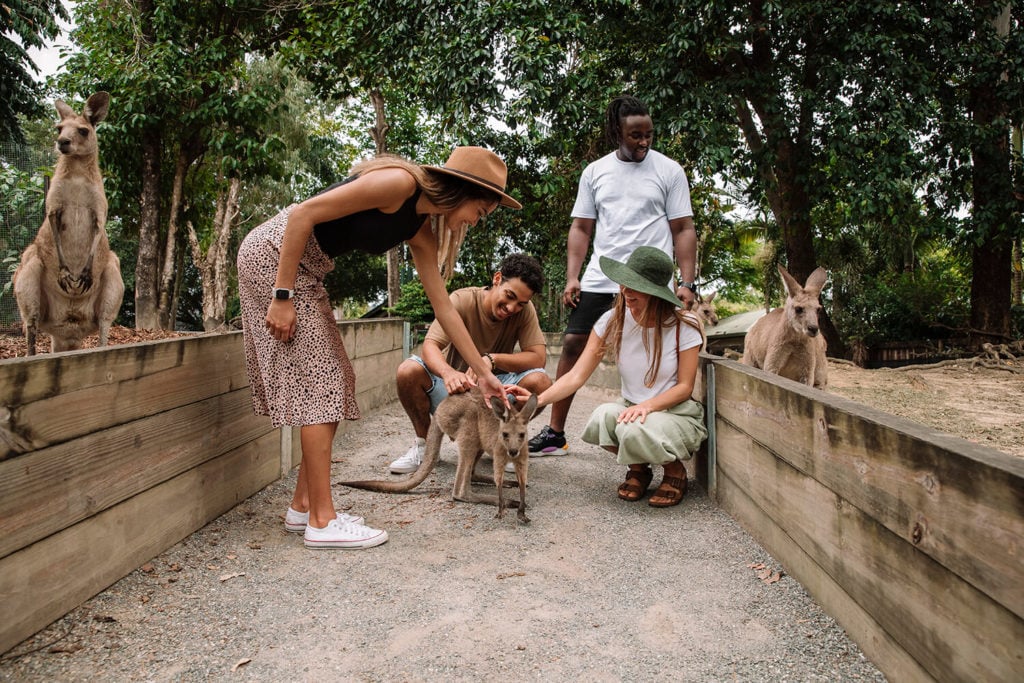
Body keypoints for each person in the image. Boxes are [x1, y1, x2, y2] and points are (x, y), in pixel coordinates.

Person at [236, 146, 521, 550]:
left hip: (308, 268)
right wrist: (281, 294)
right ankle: (322, 520)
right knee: (323, 386)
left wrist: (487, 376)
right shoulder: (399, 184)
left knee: (336, 380)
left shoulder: (418, 227)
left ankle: (304, 507)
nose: (477, 221)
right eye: (482, 211)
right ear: (463, 191)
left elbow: (444, 307)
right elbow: (302, 214)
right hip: (276, 257)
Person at [529, 95, 699, 456]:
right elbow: (581, 227)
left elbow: (683, 227)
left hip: (650, 281)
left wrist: (686, 282)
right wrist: (573, 277)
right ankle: (555, 433)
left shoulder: (669, 171)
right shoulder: (595, 172)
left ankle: (653, 422)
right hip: (602, 275)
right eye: (635, 135)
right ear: (615, 133)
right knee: (574, 345)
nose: (644, 142)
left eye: (649, 134)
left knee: (655, 348)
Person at [509, 246, 707, 507]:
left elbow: (684, 387)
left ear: (655, 294)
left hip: (675, 412)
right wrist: (538, 399)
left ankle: (674, 470)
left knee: (634, 430)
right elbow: (576, 375)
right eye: (625, 285)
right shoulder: (613, 319)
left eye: (636, 288)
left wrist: (647, 406)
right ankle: (639, 468)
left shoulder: (684, 325)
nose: (626, 293)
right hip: (632, 411)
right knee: (601, 420)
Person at [389, 253, 552, 473]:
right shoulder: (462, 300)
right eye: (509, 296)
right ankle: (424, 446)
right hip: (455, 391)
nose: (512, 308)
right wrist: (448, 373)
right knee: (408, 370)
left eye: (520, 303)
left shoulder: (525, 311)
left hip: (495, 394)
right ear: (497, 279)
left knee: (541, 381)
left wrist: (491, 360)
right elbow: (430, 346)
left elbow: (537, 357)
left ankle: (504, 444)